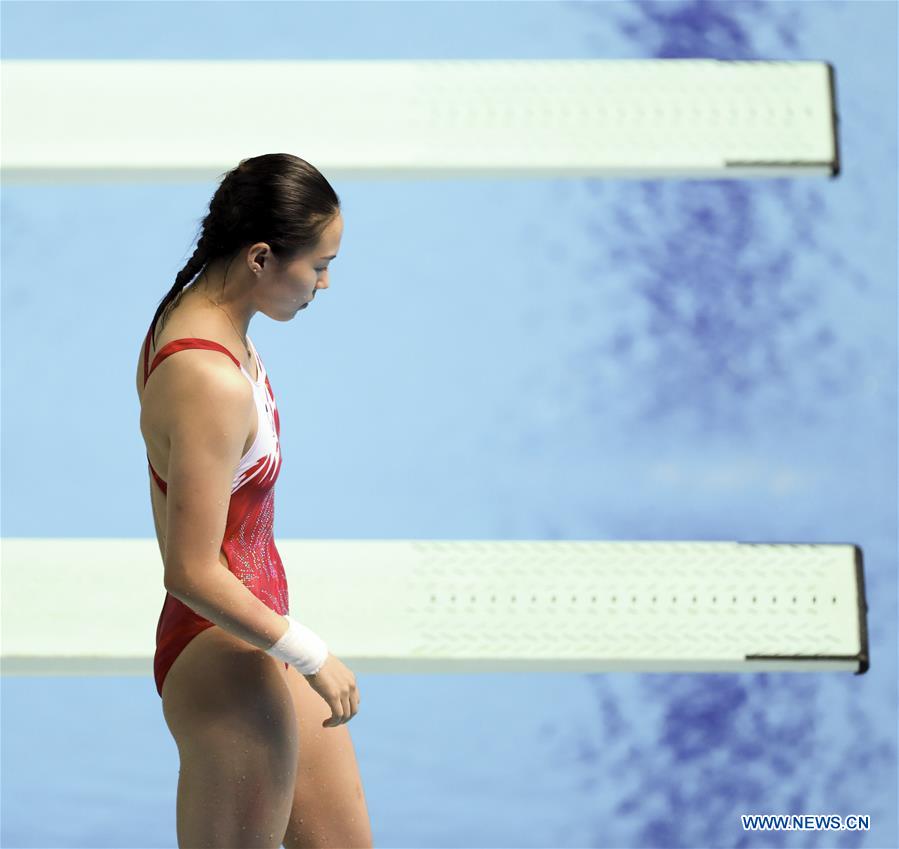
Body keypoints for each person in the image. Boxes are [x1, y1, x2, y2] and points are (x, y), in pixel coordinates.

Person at [136, 152, 373, 848]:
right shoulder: (208, 378)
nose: (325, 283)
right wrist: (308, 652)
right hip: (224, 654)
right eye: (318, 264)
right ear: (262, 256)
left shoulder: (198, 319)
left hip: (256, 636)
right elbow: (191, 569)